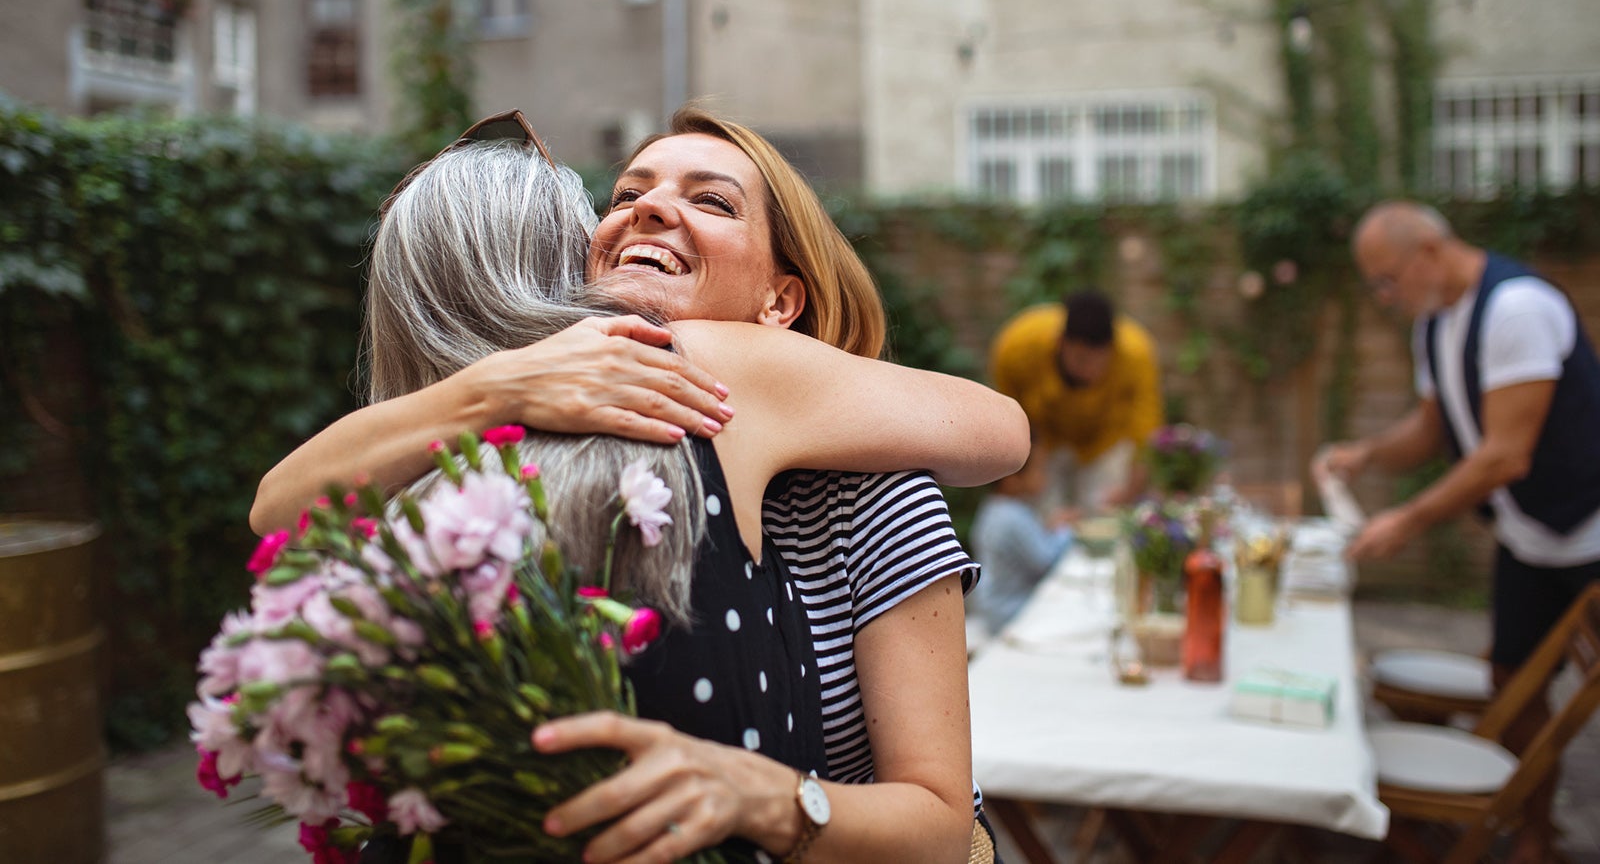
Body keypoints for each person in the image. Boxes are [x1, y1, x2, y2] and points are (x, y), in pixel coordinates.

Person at [255, 107, 1026, 862]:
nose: (649, 207)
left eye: (712, 200)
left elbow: (938, 827)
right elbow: (279, 509)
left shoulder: (864, 481)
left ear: (780, 302)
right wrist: (502, 387)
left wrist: (767, 798)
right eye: (626, 196)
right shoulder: (562, 416)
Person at [1315, 200, 1600, 864]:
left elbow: (1505, 455)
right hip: (1529, 536)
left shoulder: (1517, 309)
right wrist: (1368, 455)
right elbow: (1432, 429)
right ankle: (1535, 832)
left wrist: (1409, 521)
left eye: (1388, 280)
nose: (1385, 296)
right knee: (1511, 678)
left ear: (1430, 253)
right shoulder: (1436, 323)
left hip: (1589, 526)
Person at [988, 288, 1163, 513]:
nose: (1090, 371)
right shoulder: (1017, 346)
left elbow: (1146, 432)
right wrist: (1018, 472)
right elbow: (1006, 415)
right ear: (1061, 342)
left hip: (1104, 441)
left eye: (1101, 362)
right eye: (1081, 360)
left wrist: (1131, 491)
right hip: (1043, 440)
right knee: (1042, 513)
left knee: (1104, 514)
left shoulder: (1137, 354)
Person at [967, 443, 1073, 633]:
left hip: (993, 607)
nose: (1044, 477)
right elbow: (1046, 561)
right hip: (1011, 611)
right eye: (1039, 469)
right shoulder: (1012, 516)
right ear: (1011, 477)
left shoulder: (995, 507)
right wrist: (1064, 530)